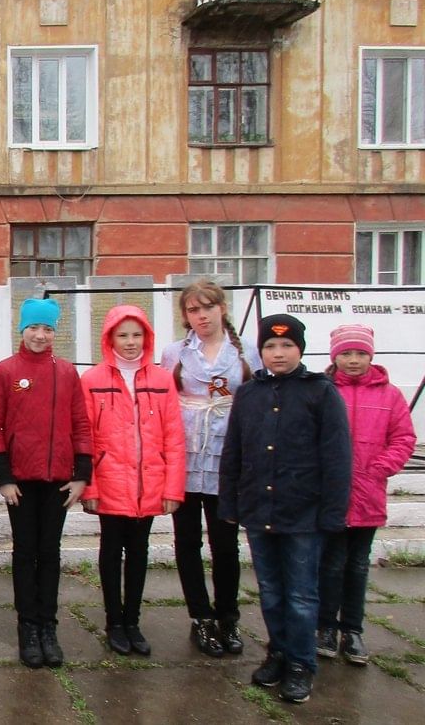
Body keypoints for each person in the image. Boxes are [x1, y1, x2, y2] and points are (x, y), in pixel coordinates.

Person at [221, 314, 352, 705]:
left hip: (303, 513)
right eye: (270, 347)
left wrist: (332, 513)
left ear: (300, 349)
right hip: (260, 509)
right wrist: (230, 503)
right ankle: (278, 652)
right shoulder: (249, 393)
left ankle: (301, 664)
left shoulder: (321, 392)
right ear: (260, 352)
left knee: (301, 595)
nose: (278, 354)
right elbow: (234, 453)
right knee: (272, 591)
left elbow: (337, 457)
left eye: (286, 346)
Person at [0, 297, 92, 669]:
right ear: (22, 329)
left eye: (47, 329)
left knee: (50, 553)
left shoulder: (66, 372)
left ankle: (48, 626)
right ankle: (27, 627)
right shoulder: (5, 371)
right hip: (21, 483)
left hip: (58, 480)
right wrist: (4, 477)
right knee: (25, 551)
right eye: (33, 328)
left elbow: (80, 422)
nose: (40, 335)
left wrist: (81, 474)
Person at [160, 280, 262, 658]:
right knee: (187, 541)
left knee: (225, 544)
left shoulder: (248, 351)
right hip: (186, 455)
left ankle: (227, 617)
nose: (201, 316)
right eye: (193, 310)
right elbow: (166, 402)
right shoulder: (175, 353)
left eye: (207, 307)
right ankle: (200, 617)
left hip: (227, 456)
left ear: (222, 308)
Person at [80, 306, 186, 656]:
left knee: (139, 554)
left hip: (148, 482)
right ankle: (113, 622)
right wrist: (90, 486)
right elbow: (86, 437)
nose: (130, 342)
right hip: (111, 481)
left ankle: (133, 621)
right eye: (122, 335)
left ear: (147, 338)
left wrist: (172, 487)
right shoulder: (93, 380)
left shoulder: (161, 379)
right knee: (111, 552)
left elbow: (173, 435)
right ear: (110, 338)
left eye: (136, 335)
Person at [317, 324, 416, 665]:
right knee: (330, 564)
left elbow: (403, 438)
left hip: (369, 494)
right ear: (335, 356)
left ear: (370, 355)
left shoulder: (389, 395)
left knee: (358, 565)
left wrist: (379, 468)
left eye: (360, 353)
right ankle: (326, 627)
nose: (354, 360)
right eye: (346, 353)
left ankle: (353, 630)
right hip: (331, 495)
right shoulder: (323, 390)